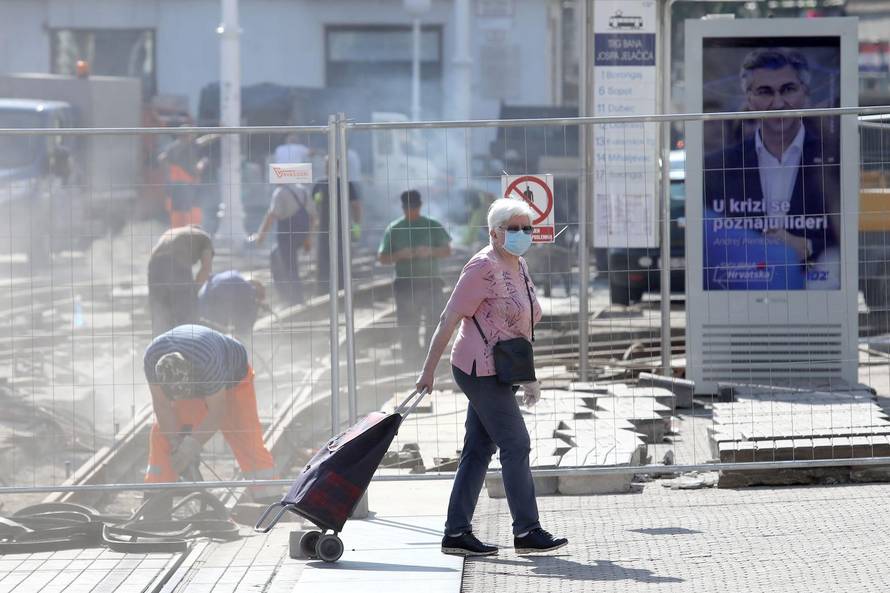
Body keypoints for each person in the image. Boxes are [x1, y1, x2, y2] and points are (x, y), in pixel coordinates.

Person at [416, 198, 568, 557]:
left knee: (479, 448)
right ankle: (527, 530)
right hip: (478, 369)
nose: (522, 234)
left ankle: (456, 533)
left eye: (527, 228)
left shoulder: (518, 263)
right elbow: (448, 319)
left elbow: (521, 326)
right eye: (514, 228)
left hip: (502, 369)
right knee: (516, 443)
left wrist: (529, 377)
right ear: (495, 232)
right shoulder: (481, 267)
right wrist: (427, 371)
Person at [703, 48, 839, 274]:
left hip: (816, 283)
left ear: (805, 93)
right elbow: (710, 240)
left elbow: (847, 235)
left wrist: (808, 246)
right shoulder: (716, 167)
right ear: (749, 99)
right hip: (745, 284)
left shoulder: (833, 160)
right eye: (765, 92)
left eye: (788, 89)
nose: (778, 103)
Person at [143, 324, 278, 501]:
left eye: (184, 392)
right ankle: (155, 502)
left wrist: (191, 445)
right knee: (162, 436)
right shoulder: (152, 359)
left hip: (233, 380)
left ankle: (268, 499)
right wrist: (176, 442)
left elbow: (217, 412)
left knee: (247, 440)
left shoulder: (207, 361)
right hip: (197, 375)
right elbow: (162, 406)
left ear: (192, 376)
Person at [378, 190, 452, 367]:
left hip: (431, 282)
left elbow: (447, 251)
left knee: (434, 322)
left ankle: (431, 359)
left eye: (414, 207)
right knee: (408, 323)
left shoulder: (432, 225)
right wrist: (400, 255)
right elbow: (382, 258)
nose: (411, 211)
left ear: (420, 206)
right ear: (403, 208)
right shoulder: (395, 228)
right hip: (405, 284)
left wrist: (430, 251)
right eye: (408, 208)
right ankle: (411, 361)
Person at [252, 182, 316, 304]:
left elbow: (271, 216)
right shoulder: (303, 190)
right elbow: (313, 216)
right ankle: (292, 297)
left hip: (287, 234)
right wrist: (308, 238)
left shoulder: (280, 192)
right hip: (302, 233)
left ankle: (293, 299)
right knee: (277, 256)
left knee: (288, 266)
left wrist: (261, 236)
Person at [148, 225, 214, 337]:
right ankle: (187, 342)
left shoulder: (171, 233)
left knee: (160, 312)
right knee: (186, 315)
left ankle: (159, 343)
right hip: (177, 263)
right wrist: (194, 292)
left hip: (154, 266)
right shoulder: (204, 237)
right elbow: (206, 268)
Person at [313, 162, 362, 295]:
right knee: (329, 260)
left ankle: (336, 290)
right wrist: (357, 225)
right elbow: (314, 206)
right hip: (328, 229)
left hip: (338, 230)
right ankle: (327, 291)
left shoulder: (343, 184)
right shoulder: (321, 184)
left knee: (335, 260)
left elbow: (356, 206)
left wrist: (356, 226)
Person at [158, 127, 205, 228]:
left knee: (186, 208)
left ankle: (185, 229)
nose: (191, 137)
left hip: (186, 182)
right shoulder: (177, 147)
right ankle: (187, 229)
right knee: (185, 208)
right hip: (183, 183)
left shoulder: (189, 145)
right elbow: (162, 159)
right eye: (189, 135)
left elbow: (162, 159)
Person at [198, 270, 265, 338]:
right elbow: (245, 322)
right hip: (212, 310)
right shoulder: (247, 289)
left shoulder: (235, 275)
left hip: (201, 303)